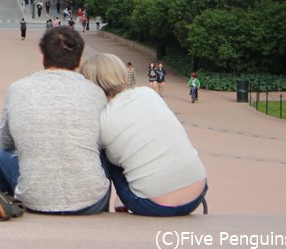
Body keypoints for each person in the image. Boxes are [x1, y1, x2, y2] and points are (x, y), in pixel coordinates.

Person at [0, 27, 110, 214]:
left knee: (0, 155)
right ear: (78, 60)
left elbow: (5, 142)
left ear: (43, 57)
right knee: (102, 152)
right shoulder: (95, 92)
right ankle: (104, 213)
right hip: (90, 202)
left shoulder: (17, 89)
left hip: (33, 200)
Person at [80, 54, 208, 216]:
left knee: (103, 152)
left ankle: (105, 205)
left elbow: (114, 159)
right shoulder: (148, 94)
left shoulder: (102, 120)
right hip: (198, 191)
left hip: (154, 205)